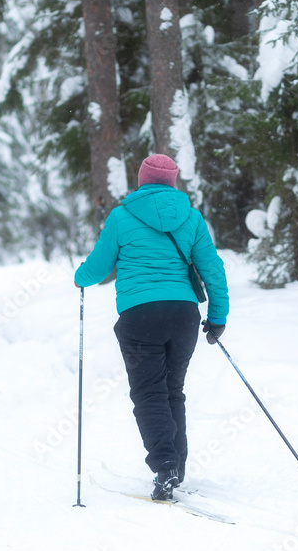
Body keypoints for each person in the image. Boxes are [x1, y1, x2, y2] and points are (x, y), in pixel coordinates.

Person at [74, 154, 229, 500]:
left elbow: (98, 268)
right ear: (173, 183)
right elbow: (213, 271)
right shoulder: (191, 219)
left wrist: (79, 276)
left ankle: (165, 465)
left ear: (142, 181)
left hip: (140, 317)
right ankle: (176, 465)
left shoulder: (122, 216)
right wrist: (218, 316)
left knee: (149, 393)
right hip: (183, 316)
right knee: (173, 391)